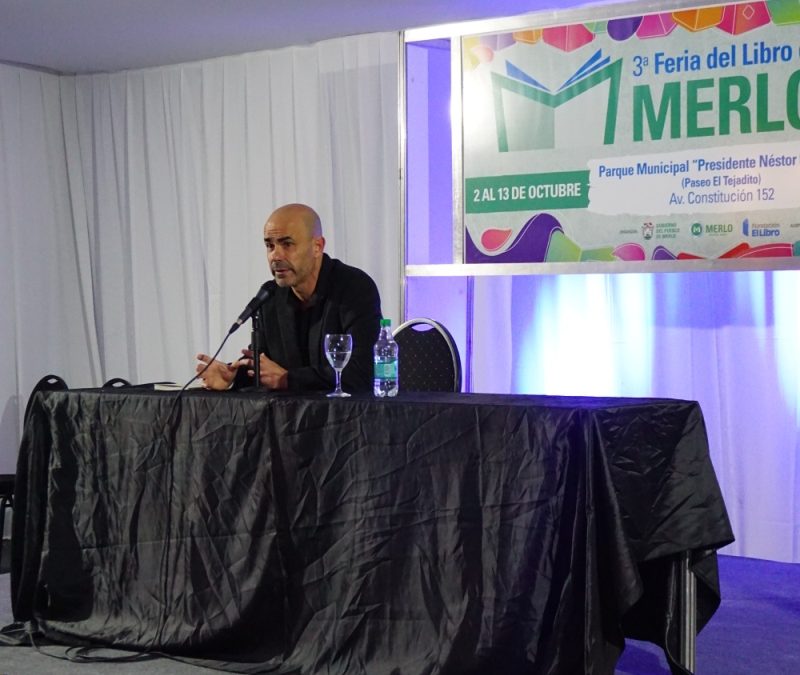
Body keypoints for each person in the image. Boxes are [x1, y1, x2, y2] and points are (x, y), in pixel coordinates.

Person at [196, 203, 382, 392]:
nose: (275, 256)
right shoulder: (270, 296)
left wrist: (289, 379)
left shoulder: (354, 288)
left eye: (287, 244)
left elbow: (363, 373)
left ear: (317, 246)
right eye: (270, 245)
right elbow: (265, 368)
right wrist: (234, 376)